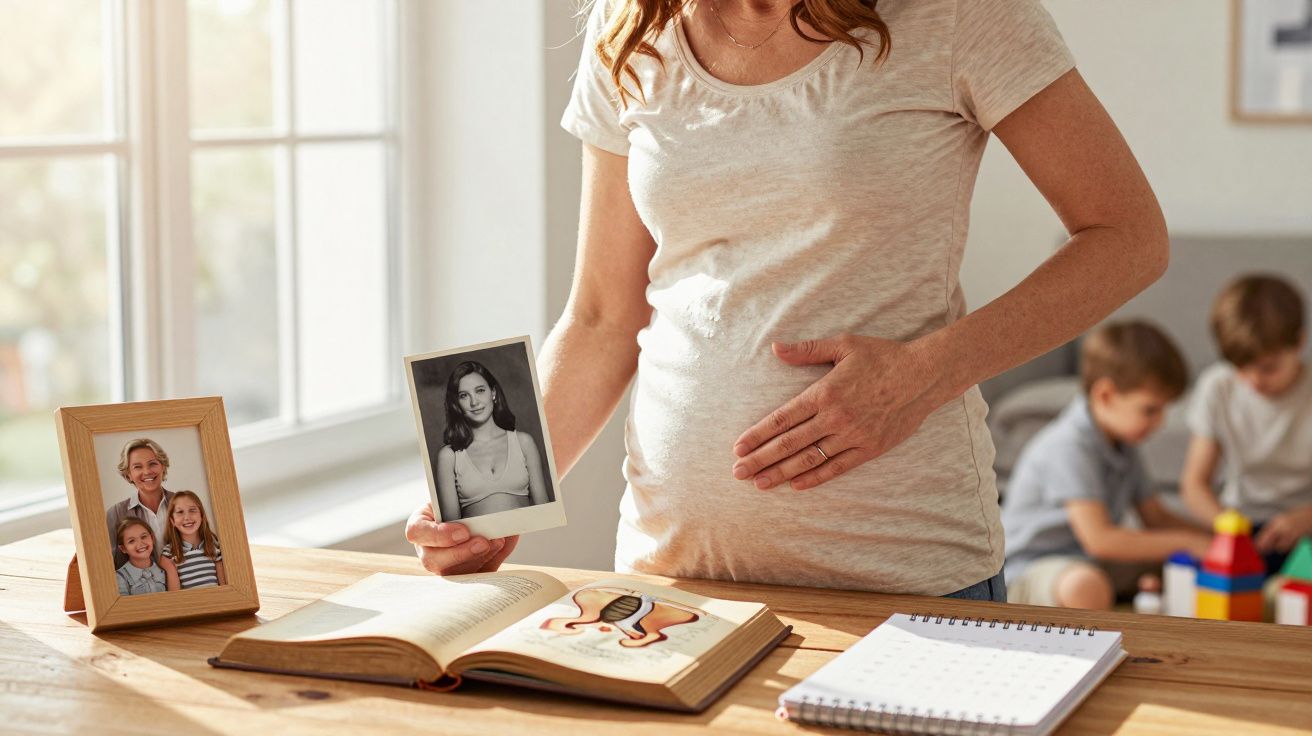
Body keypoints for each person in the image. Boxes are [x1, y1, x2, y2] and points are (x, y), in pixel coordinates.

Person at [407, 0, 1172, 599]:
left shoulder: (957, 14)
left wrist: (927, 372)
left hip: (903, 578)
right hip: (671, 577)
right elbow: (604, 318)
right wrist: (492, 507)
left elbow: (1128, 234)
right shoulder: (630, 26)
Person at [1002, 322, 1212, 609]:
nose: (1160, 422)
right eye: (1150, 410)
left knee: (1176, 565)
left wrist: (1213, 540)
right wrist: (1187, 543)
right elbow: (1099, 539)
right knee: (1085, 585)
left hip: (1087, 559)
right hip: (1032, 567)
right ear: (1106, 395)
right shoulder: (1068, 446)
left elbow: (1157, 518)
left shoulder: (1123, 444)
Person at [1181, 275, 1312, 572]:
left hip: (1305, 527)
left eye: (1269, 368)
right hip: (1240, 526)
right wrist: (1227, 525)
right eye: (1241, 368)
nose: (1254, 381)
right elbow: (1194, 485)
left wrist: (1306, 518)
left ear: (1300, 342)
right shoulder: (1217, 386)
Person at [434, 361, 550, 520]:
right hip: (479, 544)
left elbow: (545, 512)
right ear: (457, 404)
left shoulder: (523, 442)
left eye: (480, 391)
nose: (474, 402)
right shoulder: (449, 456)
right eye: (464, 395)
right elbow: (452, 529)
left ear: (493, 393)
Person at [105, 438, 176, 569]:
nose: (147, 471)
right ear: (128, 475)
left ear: (163, 466)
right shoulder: (115, 514)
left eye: (152, 464)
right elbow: (110, 565)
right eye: (137, 467)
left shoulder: (183, 504)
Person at [158, 491, 225, 589]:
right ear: (172, 520)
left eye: (192, 510)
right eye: (180, 512)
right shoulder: (169, 553)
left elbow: (224, 586)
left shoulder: (214, 546)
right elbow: (175, 595)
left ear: (201, 516)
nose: (187, 517)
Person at [114, 518, 168, 597]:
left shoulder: (164, 569)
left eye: (143, 537)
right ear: (123, 548)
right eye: (131, 541)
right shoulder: (120, 577)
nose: (140, 544)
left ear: (152, 538)